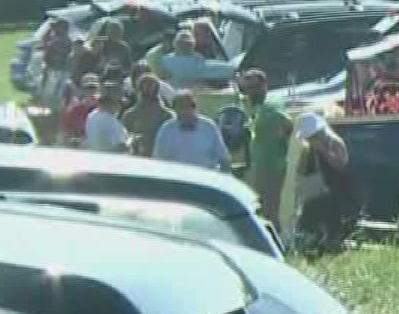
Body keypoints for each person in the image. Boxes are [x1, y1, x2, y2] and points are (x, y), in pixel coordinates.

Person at [295, 112, 360, 246]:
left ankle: (332, 242)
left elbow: (340, 165)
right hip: (319, 192)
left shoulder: (335, 142)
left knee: (332, 221)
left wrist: (322, 149)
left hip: (338, 191)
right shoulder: (309, 148)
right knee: (307, 220)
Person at [239, 69, 291, 226]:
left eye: (255, 86)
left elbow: (287, 124)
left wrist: (282, 145)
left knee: (270, 211)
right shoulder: (254, 105)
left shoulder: (270, 105)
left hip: (273, 167)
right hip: (258, 166)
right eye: (248, 87)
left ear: (264, 86)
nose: (251, 91)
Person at [151, 90, 230, 172]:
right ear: (175, 109)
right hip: (177, 179)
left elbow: (223, 158)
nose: (187, 110)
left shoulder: (209, 126)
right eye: (182, 107)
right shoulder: (167, 129)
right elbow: (158, 160)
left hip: (205, 179)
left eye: (190, 106)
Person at [120, 73, 172, 157]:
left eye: (152, 85)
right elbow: (125, 138)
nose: (149, 88)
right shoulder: (130, 115)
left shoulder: (166, 115)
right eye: (146, 85)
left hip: (159, 157)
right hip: (137, 157)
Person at [83, 80, 131, 154]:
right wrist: (131, 141)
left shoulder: (92, 116)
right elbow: (120, 146)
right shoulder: (108, 120)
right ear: (110, 102)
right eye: (119, 102)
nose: (120, 106)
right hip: (111, 161)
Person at [58, 73, 100, 144]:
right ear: (82, 89)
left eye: (93, 88)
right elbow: (67, 129)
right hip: (81, 142)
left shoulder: (102, 107)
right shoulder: (76, 108)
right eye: (88, 88)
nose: (91, 91)